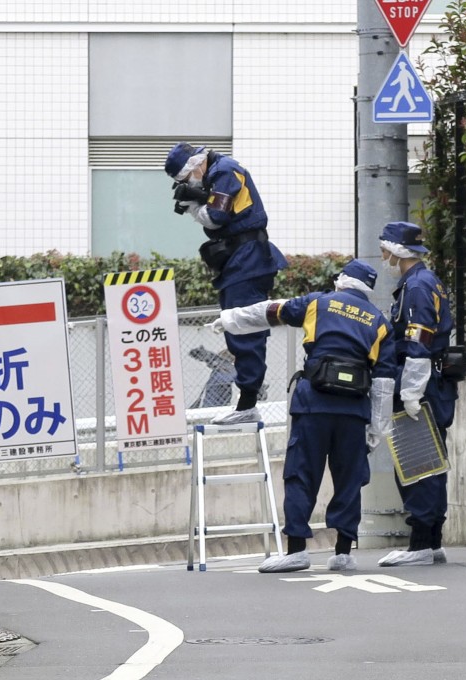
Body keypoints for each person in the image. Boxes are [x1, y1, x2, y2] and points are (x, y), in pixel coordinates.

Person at [207, 259, 397, 572]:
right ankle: (343, 553)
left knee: (301, 475)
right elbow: (383, 382)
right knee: (349, 480)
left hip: (314, 405)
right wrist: (377, 429)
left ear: (341, 281)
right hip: (353, 411)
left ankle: (296, 550)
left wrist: (229, 320)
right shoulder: (379, 322)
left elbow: (270, 311)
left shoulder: (318, 304)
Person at [165, 142, 288, 425]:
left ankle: (247, 404)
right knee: (238, 328)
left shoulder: (225, 170)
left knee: (245, 328)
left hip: (248, 260)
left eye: (186, 179)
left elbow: (215, 217)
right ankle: (246, 402)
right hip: (240, 260)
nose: (188, 183)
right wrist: (198, 199)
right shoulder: (217, 172)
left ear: (194, 165)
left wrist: (194, 203)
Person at [376, 221, 458, 567]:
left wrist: (410, 392)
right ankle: (431, 541)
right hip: (433, 383)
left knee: (417, 463)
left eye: (385, 249)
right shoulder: (424, 281)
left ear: (396, 251)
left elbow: (418, 343)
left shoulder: (418, 287)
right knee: (430, 463)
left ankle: (421, 544)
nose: (382, 255)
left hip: (422, 384)